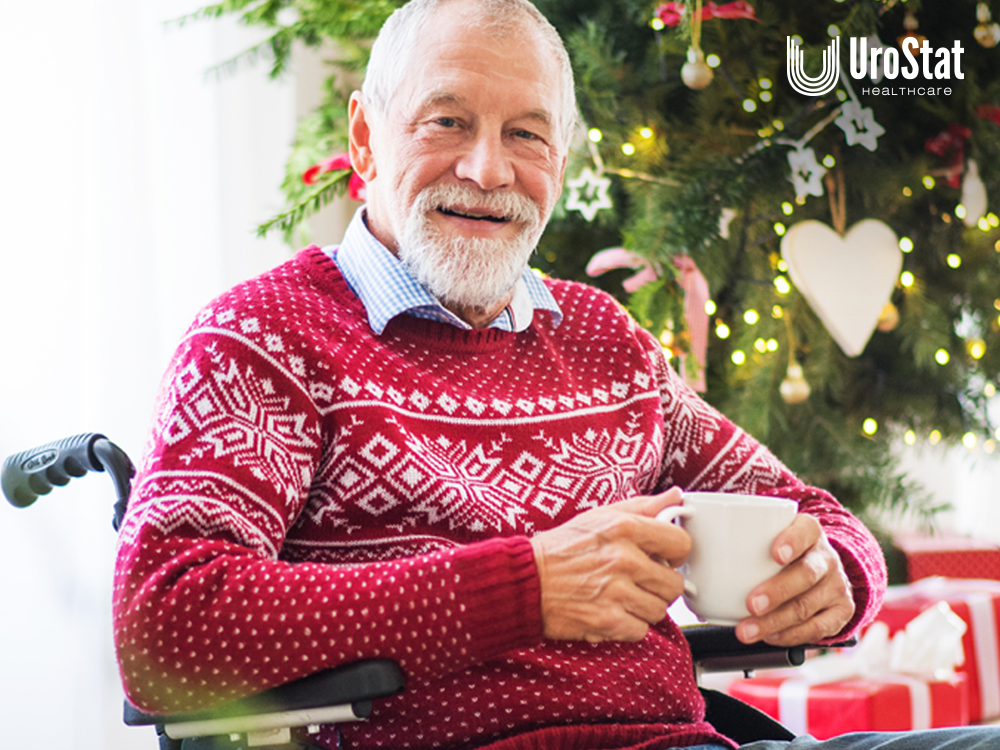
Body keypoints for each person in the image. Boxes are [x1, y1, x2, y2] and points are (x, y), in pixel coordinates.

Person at [112, 1, 997, 748]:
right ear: (365, 137)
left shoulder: (604, 339)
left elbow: (816, 518)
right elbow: (160, 627)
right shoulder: (266, 336)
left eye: (525, 134)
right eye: (446, 120)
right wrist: (527, 587)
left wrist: (834, 579)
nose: (487, 169)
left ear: (560, 164)